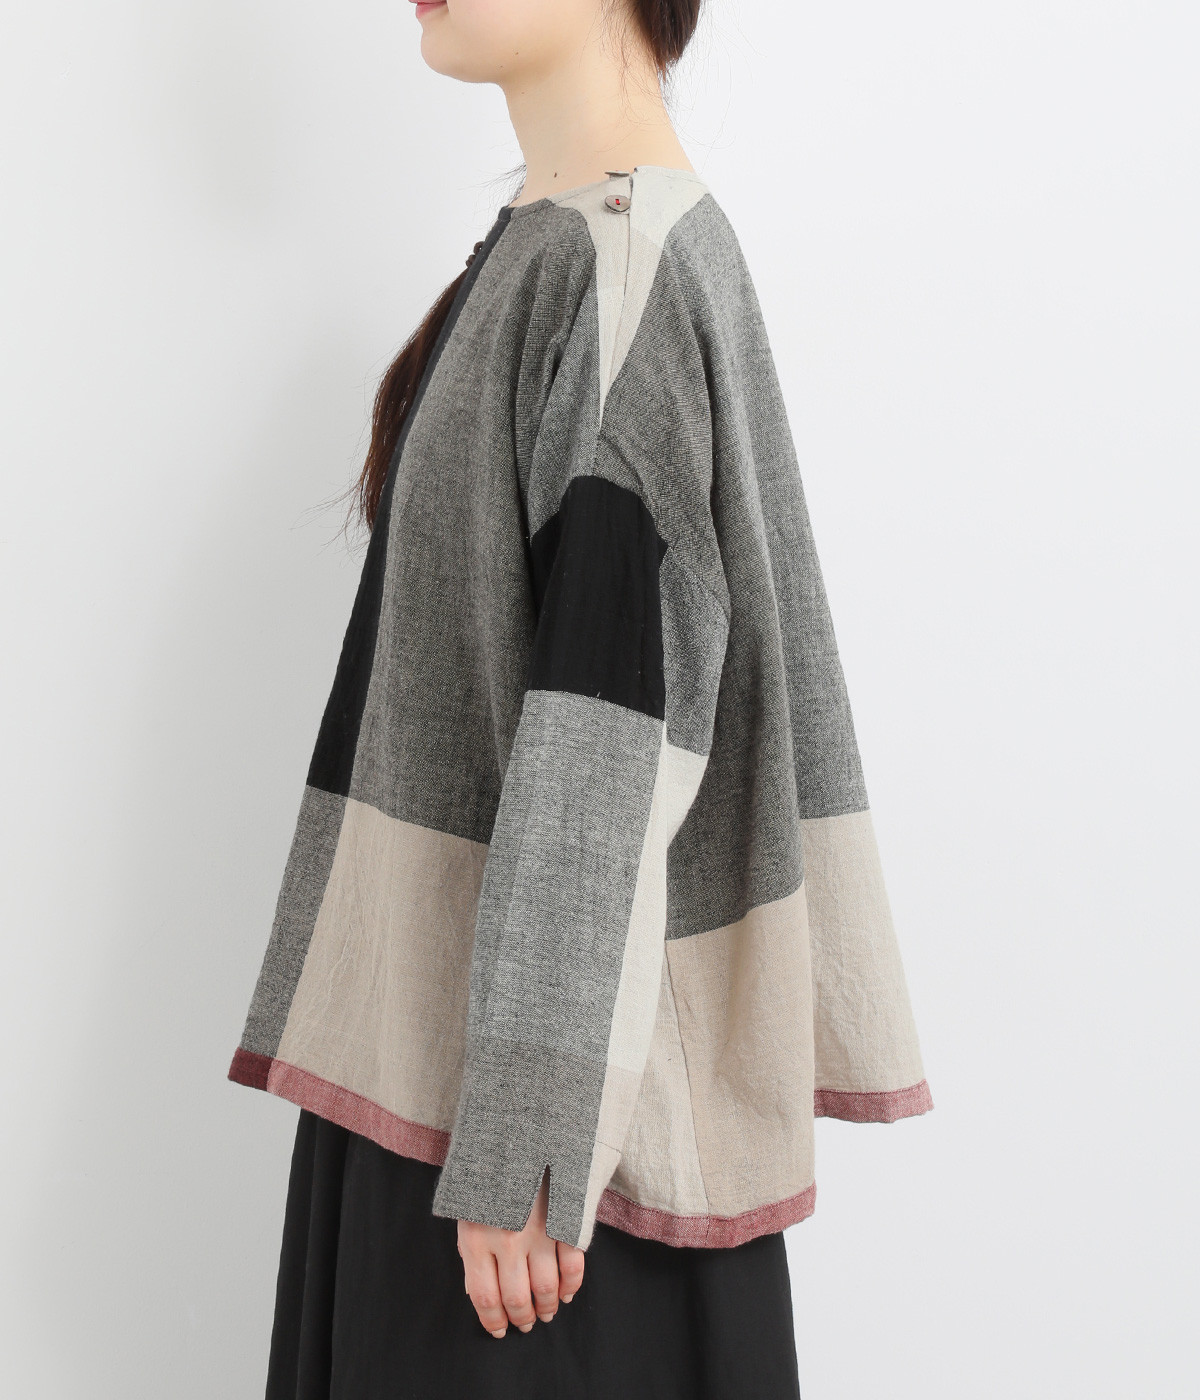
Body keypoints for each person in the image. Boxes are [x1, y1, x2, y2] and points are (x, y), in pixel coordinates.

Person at [227, 1, 933, 1395]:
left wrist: (526, 1138)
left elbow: (607, 736)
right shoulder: (563, 243)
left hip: (533, 1147)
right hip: (465, 1071)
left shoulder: (619, 265)